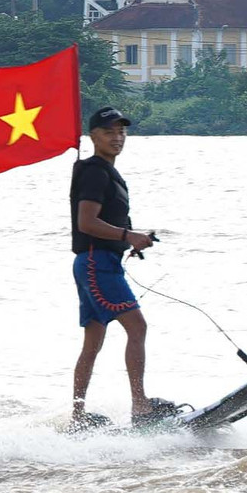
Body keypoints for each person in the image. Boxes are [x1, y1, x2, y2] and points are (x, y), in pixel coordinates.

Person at [68, 107, 179, 429]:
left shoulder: (102, 171)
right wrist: (127, 235)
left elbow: (102, 221)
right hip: (96, 264)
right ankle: (141, 408)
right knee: (137, 327)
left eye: (122, 132)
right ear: (93, 137)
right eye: (108, 132)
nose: (117, 138)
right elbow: (86, 222)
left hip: (96, 262)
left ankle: (78, 416)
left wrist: (126, 241)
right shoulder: (94, 171)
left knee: (93, 341)